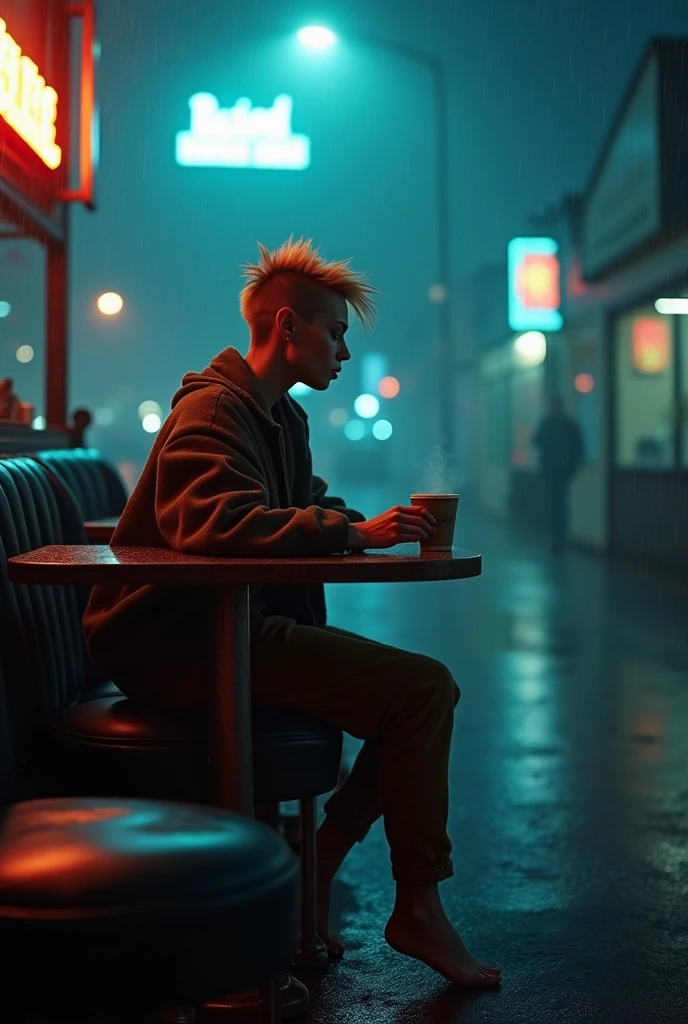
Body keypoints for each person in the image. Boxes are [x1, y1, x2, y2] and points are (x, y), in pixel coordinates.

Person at [83, 237, 501, 988]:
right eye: (335, 331)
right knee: (422, 689)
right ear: (286, 326)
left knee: (418, 695)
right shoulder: (214, 411)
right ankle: (409, 906)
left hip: (228, 626)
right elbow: (214, 524)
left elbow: (295, 504)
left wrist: (367, 523)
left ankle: (323, 867)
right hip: (180, 641)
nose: (342, 350)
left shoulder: (277, 415)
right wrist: (348, 533)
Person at [533, 396, 584, 553]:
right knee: (560, 505)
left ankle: (557, 538)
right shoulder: (568, 424)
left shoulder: (547, 423)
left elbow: (536, 441)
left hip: (552, 471)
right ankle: (559, 538)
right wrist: (573, 467)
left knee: (554, 505)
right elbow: (579, 447)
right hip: (562, 471)